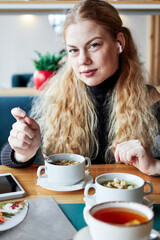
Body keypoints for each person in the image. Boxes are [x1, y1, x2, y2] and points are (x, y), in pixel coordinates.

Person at [1, 0, 160, 175]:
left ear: (118, 43)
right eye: (74, 50)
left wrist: (153, 165)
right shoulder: (59, 96)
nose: (83, 60)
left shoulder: (148, 97)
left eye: (94, 45)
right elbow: (10, 159)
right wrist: (22, 152)